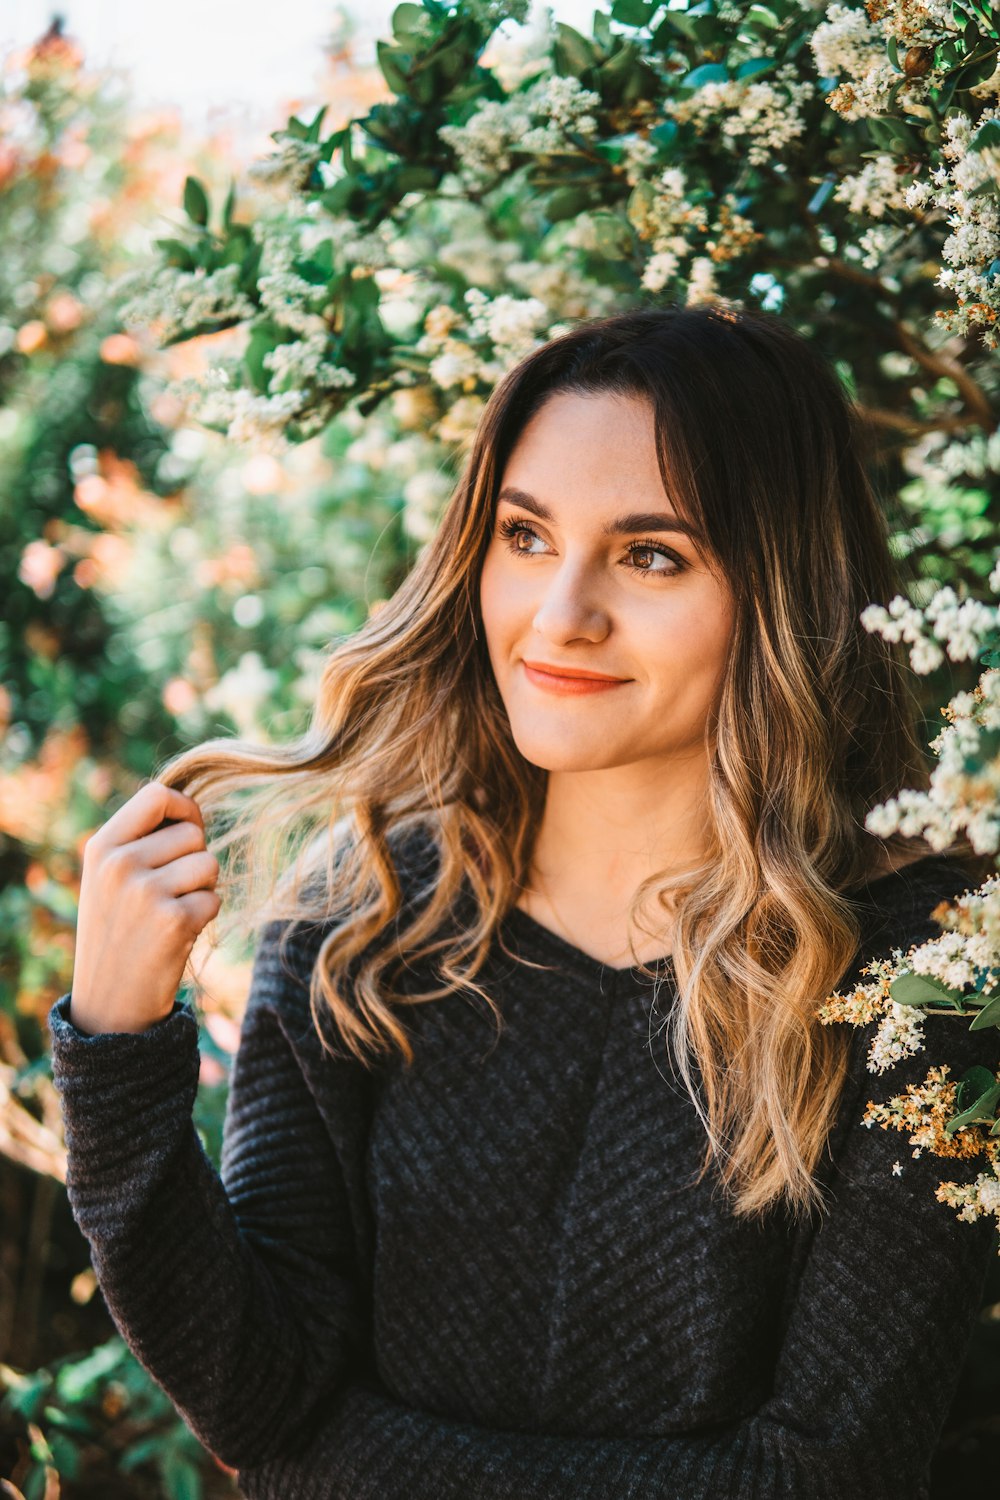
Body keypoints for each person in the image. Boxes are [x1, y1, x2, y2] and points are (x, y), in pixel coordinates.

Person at [48, 304, 999, 1500]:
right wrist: (118, 1046)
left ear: (779, 591)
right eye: (525, 535)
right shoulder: (359, 923)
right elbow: (256, 1396)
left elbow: (828, 1478)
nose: (559, 617)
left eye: (652, 553)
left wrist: (334, 1465)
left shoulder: (923, 985)